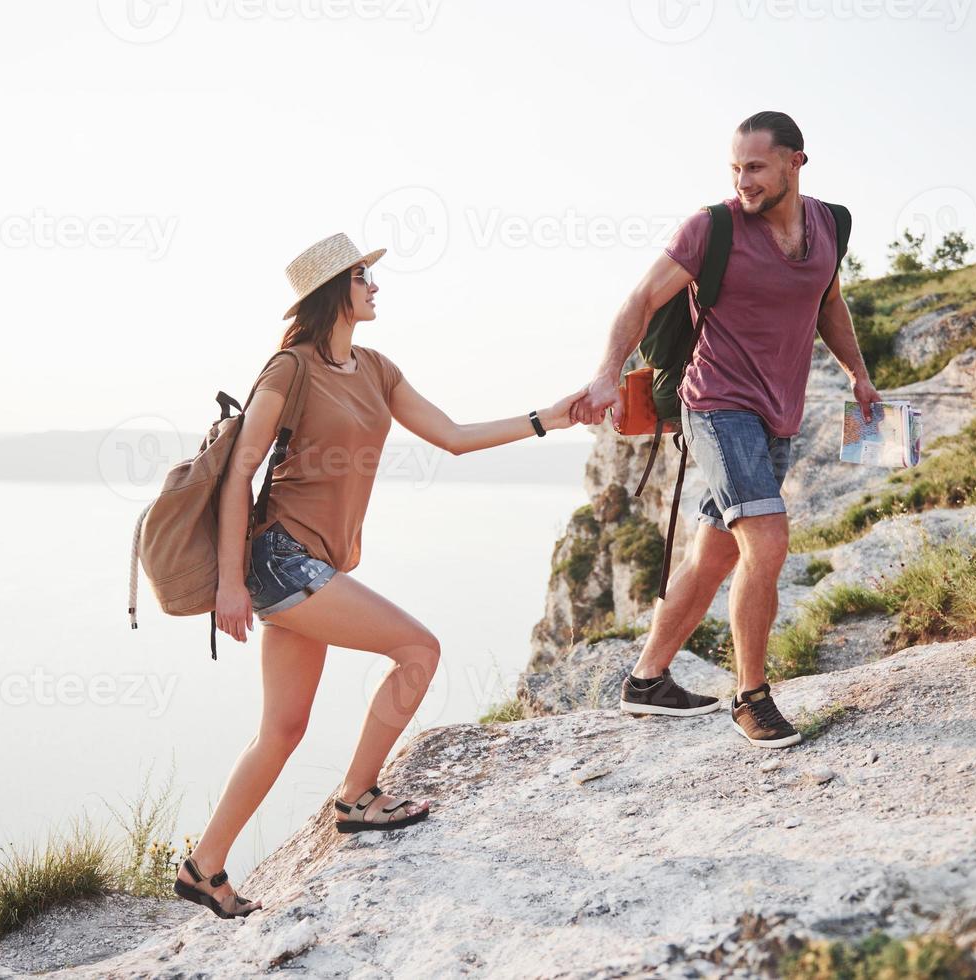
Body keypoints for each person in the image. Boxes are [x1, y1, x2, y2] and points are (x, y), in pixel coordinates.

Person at [172, 232, 583, 918]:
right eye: (364, 275)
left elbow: (451, 436)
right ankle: (360, 798)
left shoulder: (377, 368)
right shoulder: (288, 369)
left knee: (282, 728)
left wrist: (550, 418)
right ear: (334, 291)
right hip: (278, 560)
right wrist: (228, 584)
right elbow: (240, 471)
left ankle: (202, 867)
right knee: (417, 650)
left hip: (317, 564)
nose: (376, 285)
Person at [569, 111, 882, 750]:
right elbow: (639, 300)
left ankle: (647, 681)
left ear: (797, 161)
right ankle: (752, 696)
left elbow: (828, 301)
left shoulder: (829, 225)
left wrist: (858, 372)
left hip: (778, 416)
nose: (744, 180)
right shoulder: (711, 229)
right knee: (765, 540)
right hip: (716, 405)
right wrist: (606, 374)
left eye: (756, 167)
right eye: (736, 168)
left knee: (714, 552)